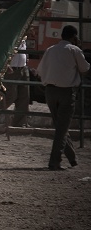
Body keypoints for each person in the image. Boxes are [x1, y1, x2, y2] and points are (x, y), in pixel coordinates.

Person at [37, 25, 90, 171]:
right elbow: (85, 69)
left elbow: (40, 71)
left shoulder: (50, 49)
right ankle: (54, 161)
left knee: (61, 126)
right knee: (62, 128)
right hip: (66, 92)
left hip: (50, 91)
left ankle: (72, 159)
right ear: (74, 37)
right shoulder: (74, 50)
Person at [0, 36, 30, 127]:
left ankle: (19, 123)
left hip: (22, 68)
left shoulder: (23, 37)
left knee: (24, 96)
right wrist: (6, 65)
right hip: (11, 70)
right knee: (10, 96)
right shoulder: (11, 35)